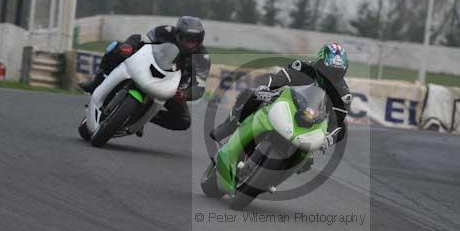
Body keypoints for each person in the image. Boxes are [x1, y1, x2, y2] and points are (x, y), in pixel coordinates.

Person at [210, 43, 352, 152]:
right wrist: (265, 87)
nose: (330, 75)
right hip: (284, 104)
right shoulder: (302, 68)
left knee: (308, 162)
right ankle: (230, 125)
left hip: (309, 122)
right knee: (250, 93)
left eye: (336, 72)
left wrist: (330, 138)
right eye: (327, 70)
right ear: (319, 63)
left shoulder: (343, 94)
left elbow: (338, 123)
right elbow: (276, 79)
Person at [79, 16, 211, 132]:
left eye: (194, 40)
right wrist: (128, 46)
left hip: (171, 88)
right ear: (178, 34)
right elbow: (141, 38)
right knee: (116, 47)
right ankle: (96, 81)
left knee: (184, 121)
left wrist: (184, 94)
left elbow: (199, 88)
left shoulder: (202, 58)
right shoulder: (165, 31)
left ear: (200, 40)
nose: (190, 44)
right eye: (187, 39)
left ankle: (144, 117)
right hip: (146, 66)